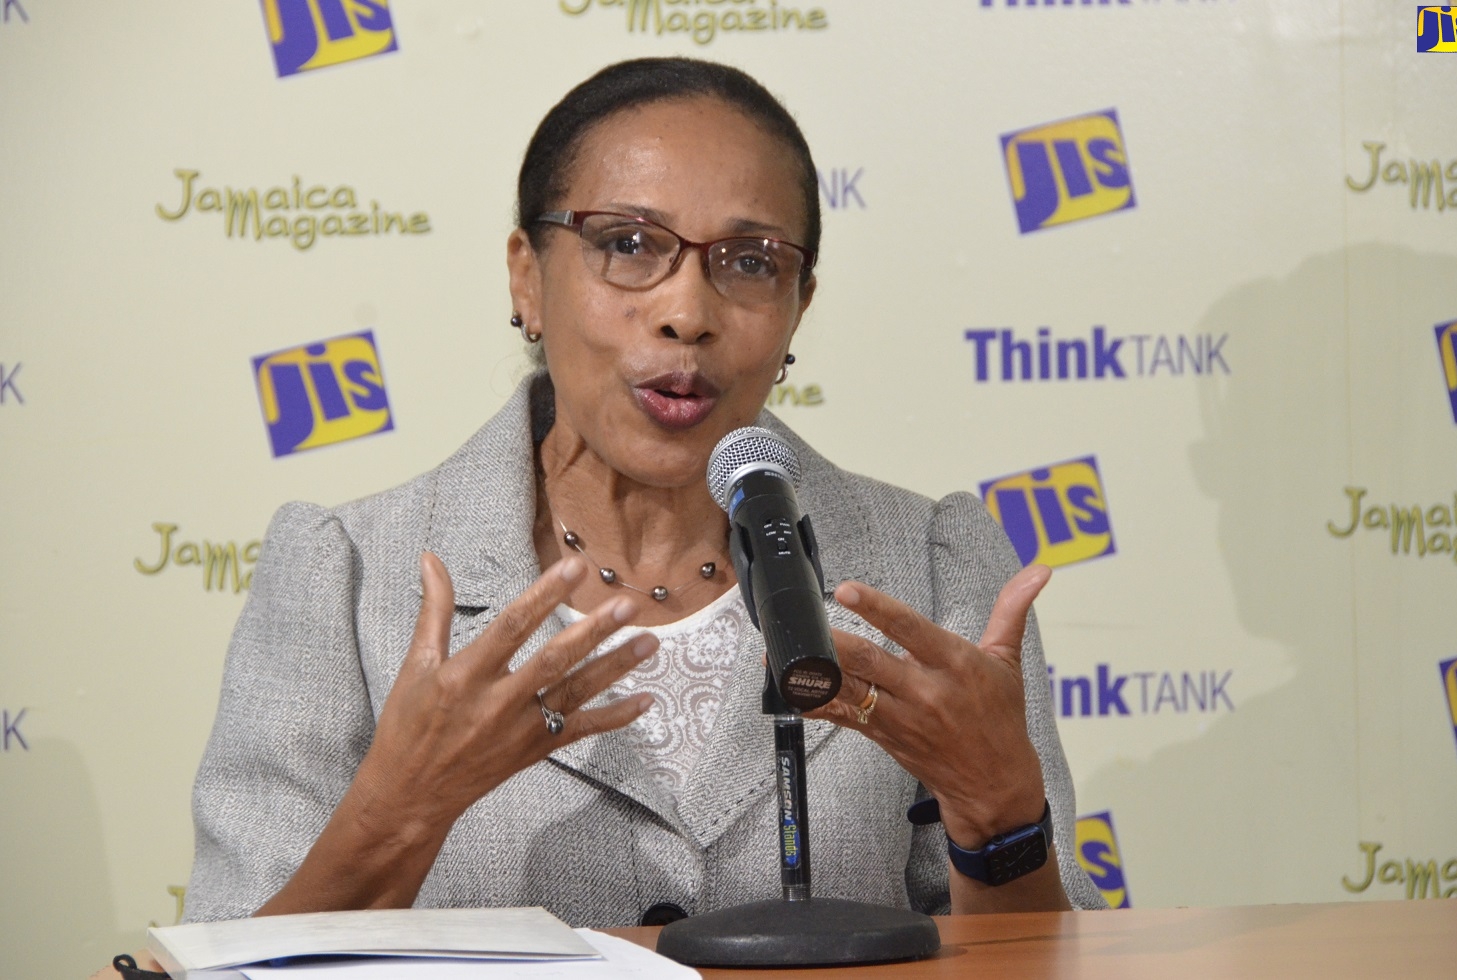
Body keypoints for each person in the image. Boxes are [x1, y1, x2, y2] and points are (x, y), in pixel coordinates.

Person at [181, 56, 1106, 930]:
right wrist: (401, 812)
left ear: (798, 307)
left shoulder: (931, 569)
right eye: (627, 244)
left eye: (750, 262)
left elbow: (1037, 965)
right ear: (526, 278)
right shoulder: (344, 579)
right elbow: (223, 965)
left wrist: (999, 820)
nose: (687, 313)